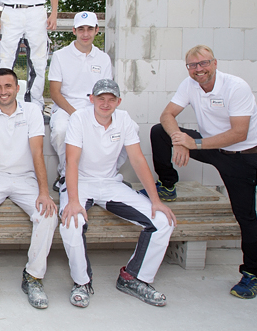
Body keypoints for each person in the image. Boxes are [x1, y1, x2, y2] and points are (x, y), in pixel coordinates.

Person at [147, 45, 257, 299]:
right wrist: (179, 139)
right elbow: (168, 114)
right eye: (193, 65)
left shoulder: (236, 87)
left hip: (240, 155)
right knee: (160, 131)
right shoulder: (189, 84)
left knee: (246, 215)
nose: (198, 70)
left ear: (214, 63)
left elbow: (239, 133)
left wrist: (194, 144)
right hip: (210, 145)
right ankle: (168, 185)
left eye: (203, 64)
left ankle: (253, 275)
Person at [59, 79, 177, 308]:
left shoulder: (124, 120)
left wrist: (156, 200)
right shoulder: (79, 118)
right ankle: (82, 282)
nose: (105, 103)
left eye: (111, 99)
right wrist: (73, 201)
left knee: (163, 221)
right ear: (91, 99)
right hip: (81, 182)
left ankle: (133, 278)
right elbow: (71, 161)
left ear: (118, 101)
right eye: (100, 98)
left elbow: (138, 159)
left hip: (110, 183)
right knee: (71, 223)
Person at [0, 68, 58, 310]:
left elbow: (37, 152)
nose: (3, 92)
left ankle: (33, 276)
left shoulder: (31, 112)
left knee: (48, 214)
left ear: (17, 88)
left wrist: (44, 192)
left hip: (25, 178)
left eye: (8, 86)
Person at [47, 11, 114, 192]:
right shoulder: (60, 56)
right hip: (65, 106)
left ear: (97, 30)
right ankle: (64, 174)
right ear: (74, 30)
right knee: (61, 131)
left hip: (94, 107)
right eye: (81, 29)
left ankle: (101, 176)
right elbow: (55, 92)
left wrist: (97, 112)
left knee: (118, 131)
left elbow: (105, 92)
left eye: (90, 29)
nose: (86, 34)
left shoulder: (103, 58)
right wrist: (75, 113)